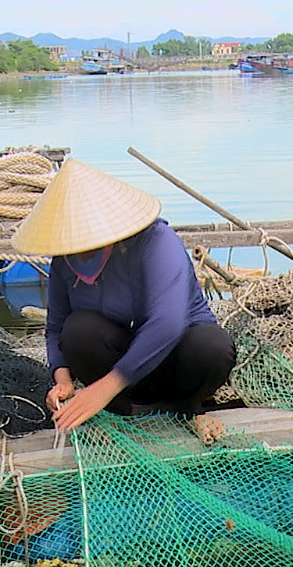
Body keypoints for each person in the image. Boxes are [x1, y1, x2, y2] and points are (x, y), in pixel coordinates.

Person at [12, 160, 236, 442]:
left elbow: (167, 324)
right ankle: (124, 412)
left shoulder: (156, 241)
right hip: (123, 378)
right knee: (78, 329)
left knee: (212, 346)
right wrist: (63, 381)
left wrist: (102, 389)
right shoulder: (63, 261)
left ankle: (187, 410)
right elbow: (56, 326)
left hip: (174, 362)